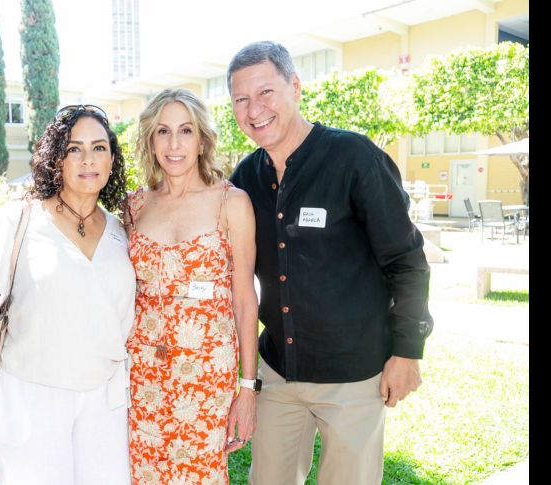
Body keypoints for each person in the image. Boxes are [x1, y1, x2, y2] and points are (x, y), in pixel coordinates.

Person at [226, 41, 434, 485]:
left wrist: (407, 351)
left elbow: (407, 261)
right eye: (240, 99)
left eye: (265, 92)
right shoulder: (243, 180)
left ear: (295, 87)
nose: (253, 109)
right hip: (278, 373)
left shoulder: (355, 159)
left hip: (354, 377)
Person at [0, 104, 135, 484]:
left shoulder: (124, 232)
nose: (88, 159)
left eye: (99, 148)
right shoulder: (15, 222)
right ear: (56, 158)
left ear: (112, 159)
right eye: (74, 149)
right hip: (32, 400)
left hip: (106, 402)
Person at [124, 88, 259, 484]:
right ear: (150, 140)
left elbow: (245, 301)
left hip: (206, 376)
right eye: (163, 132)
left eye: (185, 130)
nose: (174, 143)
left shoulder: (231, 204)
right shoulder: (135, 206)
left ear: (202, 140)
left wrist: (246, 389)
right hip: (141, 373)